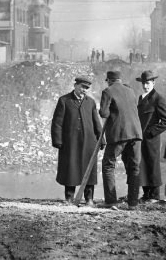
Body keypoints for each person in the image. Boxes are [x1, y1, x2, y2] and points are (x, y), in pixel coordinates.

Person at [51, 75, 103, 205]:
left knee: (89, 170)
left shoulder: (90, 102)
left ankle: (89, 199)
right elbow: (57, 123)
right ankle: (69, 198)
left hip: (89, 143)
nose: (84, 90)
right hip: (70, 143)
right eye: (82, 87)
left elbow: (96, 122)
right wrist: (57, 140)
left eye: (86, 88)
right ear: (75, 86)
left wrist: (101, 139)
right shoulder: (64, 100)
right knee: (71, 169)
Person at [98, 70, 143, 209]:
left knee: (108, 165)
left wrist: (109, 110)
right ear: (120, 80)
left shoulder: (108, 91)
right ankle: (133, 203)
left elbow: (104, 113)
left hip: (119, 134)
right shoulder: (130, 91)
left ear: (109, 80)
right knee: (134, 167)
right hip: (136, 133)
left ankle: (111, 201)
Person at [135, 70, 166, 202]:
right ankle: (146, 194)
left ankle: (155, 196)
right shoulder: (141, 98)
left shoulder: (158, 98)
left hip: (151, 139)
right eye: (143, 83)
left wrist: (151, 132)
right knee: (142, 165)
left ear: (153, 83)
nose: (145, 86)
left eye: (148, 83)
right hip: (141, 139)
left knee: (153, 165)